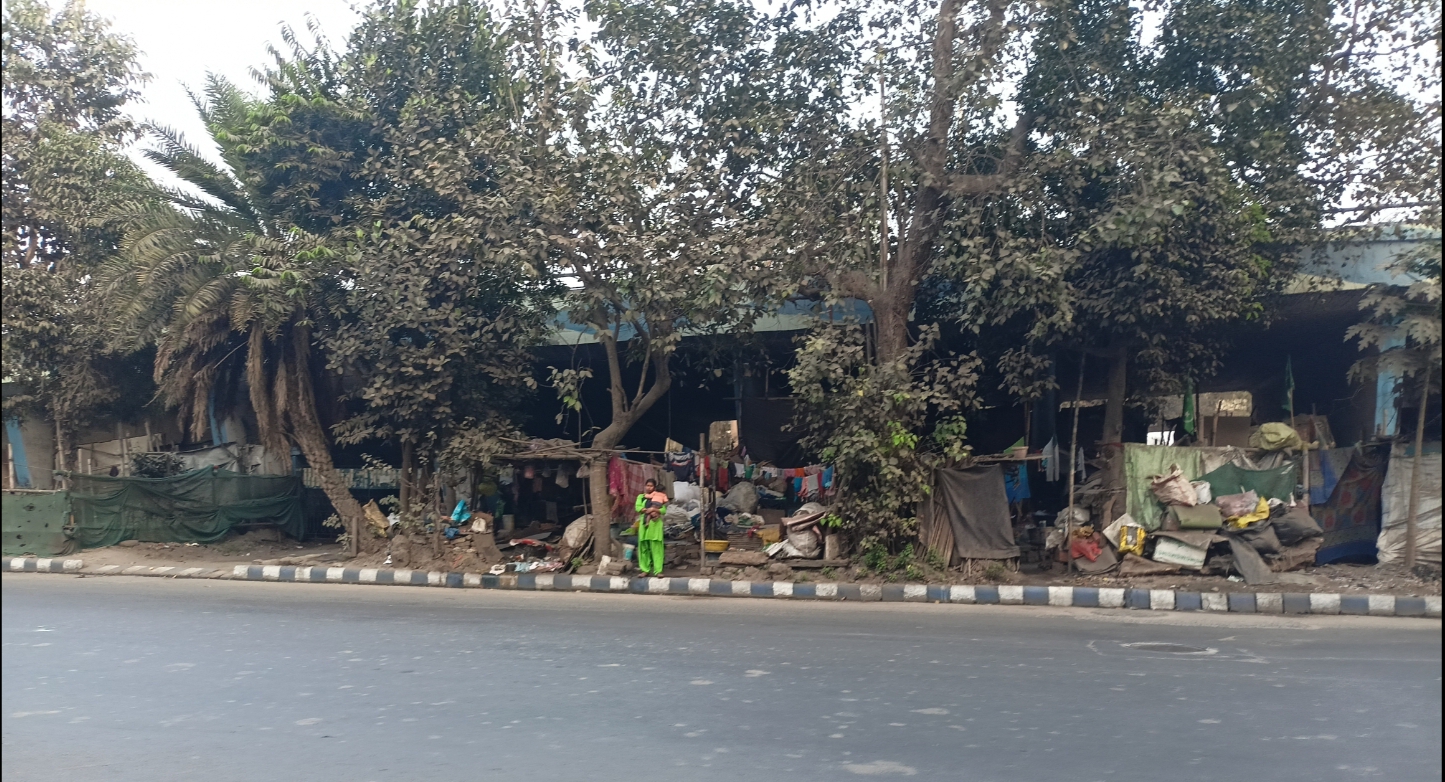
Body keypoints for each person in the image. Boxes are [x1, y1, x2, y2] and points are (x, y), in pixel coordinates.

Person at [630, 478, 668, 576]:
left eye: (651, 486)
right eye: (647, 485)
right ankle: (645, 570)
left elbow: (663, 510)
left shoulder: (659, 495)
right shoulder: (641, 497)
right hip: (644, 525)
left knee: (657, 548)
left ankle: (658, 571)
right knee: (643, 548)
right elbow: (637, 507)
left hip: (655, 525)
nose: (649, 487)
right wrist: (646, 510)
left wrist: (654, 510)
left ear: (654, 487)